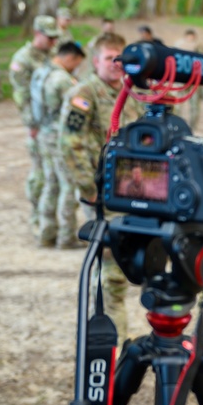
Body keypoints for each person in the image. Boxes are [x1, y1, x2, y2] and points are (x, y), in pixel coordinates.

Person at [58, 32, 145, 341]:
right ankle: (113, 344)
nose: (116, 64)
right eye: (109, 58)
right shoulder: (85, 95)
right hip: (103, 197)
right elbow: (70, 145)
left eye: (120, 58)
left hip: (133, 195)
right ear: (95, 61)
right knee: (110, 276)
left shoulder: (134, 92)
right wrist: (87, 188)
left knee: (132, 267)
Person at [9, 15, 60, 236]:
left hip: (53, 123)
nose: (53, 42)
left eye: (54, 38)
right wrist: (31, 124)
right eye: (49, 38)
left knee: (53, 172)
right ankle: (37, 216)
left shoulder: (50, 55)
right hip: (38, 124)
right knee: (40, 171)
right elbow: (21, 96)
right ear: (37, 34)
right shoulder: (23, 59)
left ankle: (49, 217)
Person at [33, 41, 85, 248]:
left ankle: (46, 233)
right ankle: (66, 237)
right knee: (68, 185)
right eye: (76, 64)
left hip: (44, 134)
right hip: (59, 137)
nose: (75, 68)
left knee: (50, 183)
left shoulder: (41, 72)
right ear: (69, 57)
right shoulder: (63, 79)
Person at [172, 28, 203, 131]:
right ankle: (190, 128)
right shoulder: (197, 45)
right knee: (191, 106)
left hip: (182, 80)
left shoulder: (177, 44)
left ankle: (178, 126)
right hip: (191, 80)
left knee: (181, 105)